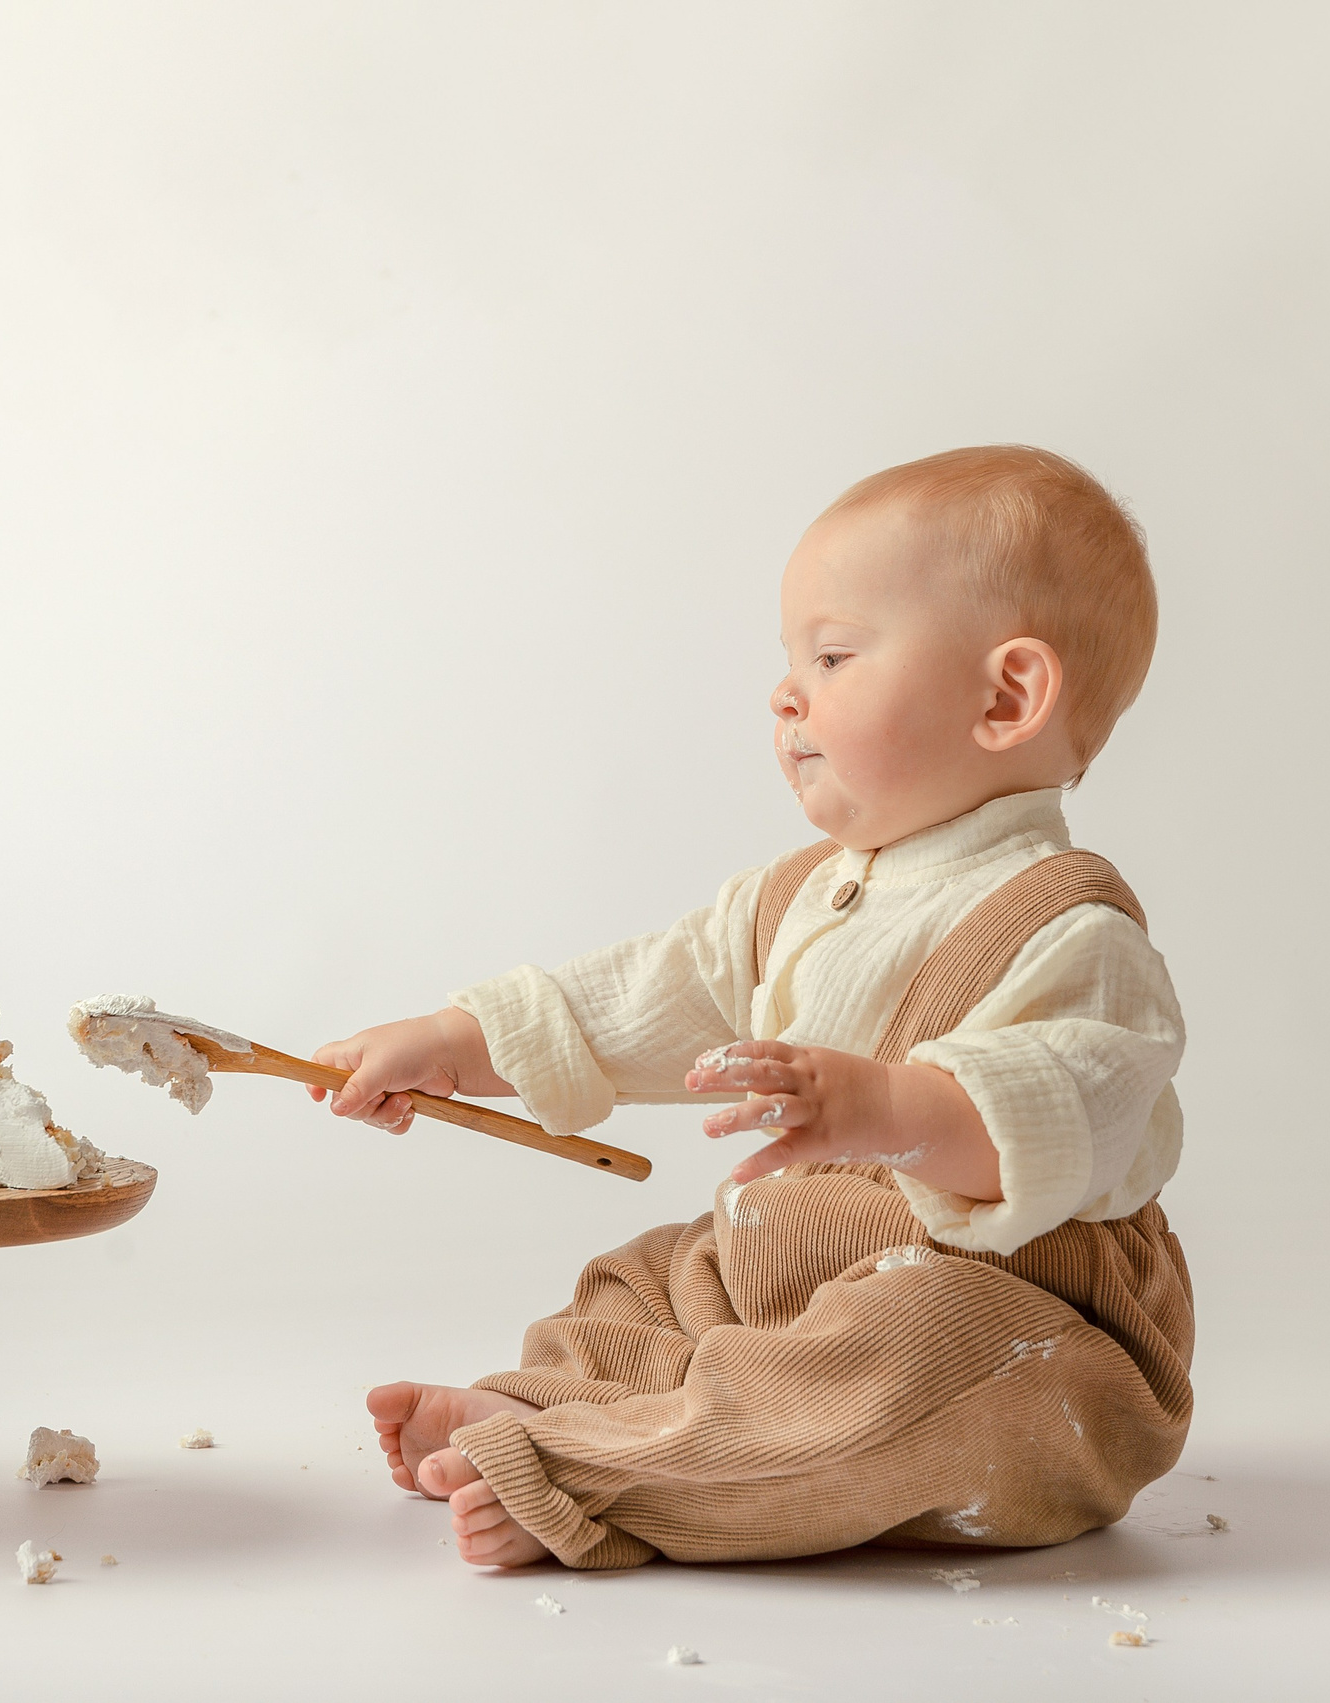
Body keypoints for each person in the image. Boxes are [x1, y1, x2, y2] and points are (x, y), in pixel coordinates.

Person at [313, 446, 1193, 1568]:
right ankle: (560, 1407)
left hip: (1015, 1323)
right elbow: (639, 994)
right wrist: (455, 1043)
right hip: (794, 1278)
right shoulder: (797, 895)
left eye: (831, 655)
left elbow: (1081, 1101)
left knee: (913, 1360)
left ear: (1005, 695)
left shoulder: (1070, 927)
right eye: (790, 661)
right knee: (648, 1278)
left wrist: (897, 1106)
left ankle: (591, 1473)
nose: (786, 693)